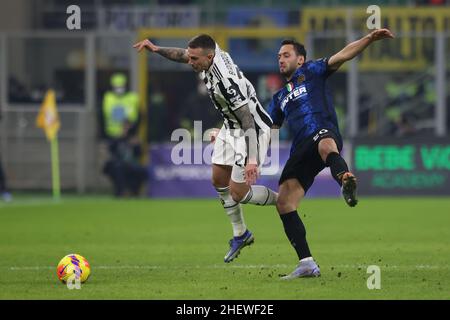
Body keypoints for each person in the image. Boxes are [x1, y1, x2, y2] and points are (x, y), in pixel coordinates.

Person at [134, 34, 278, 263]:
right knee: (219, 180)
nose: (190, 62)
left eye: (194, 59)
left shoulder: (225, 81)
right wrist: (155, 48)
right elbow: (182, 54)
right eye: (190, 57)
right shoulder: (209, 54)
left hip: (253, 131)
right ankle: (241, 234)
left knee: (238, 193)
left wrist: (252, 158)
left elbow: (247, 119)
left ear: (209, 57)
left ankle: (283, 201)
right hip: (231, 127)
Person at [268, 29, 394, 279]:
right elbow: (266, 127)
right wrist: (231, 134)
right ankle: (306, 263)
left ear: (300, 59)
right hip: (300, 148)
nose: (280, 59)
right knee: (284, 203)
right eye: (278, 56)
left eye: (285, 55)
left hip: (323, 131)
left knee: (326, 145)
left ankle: (345, 179)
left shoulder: (313, 71)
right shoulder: (278, 97)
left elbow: (343, 55)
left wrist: (368, 39)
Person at [102, 73, 148, 197]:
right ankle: (121, 192)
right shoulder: (108, 98)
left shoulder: (132, 98)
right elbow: (111, 150)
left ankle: (134, 192)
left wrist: (136, 142)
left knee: (140, 170)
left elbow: (140, 152)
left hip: (130, 163)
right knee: (117, 167)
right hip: (115, 144)